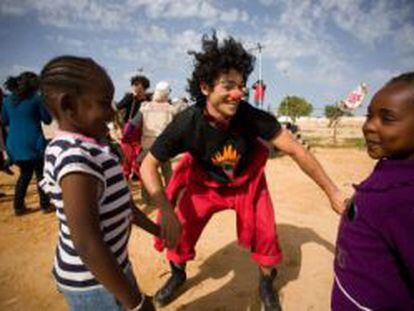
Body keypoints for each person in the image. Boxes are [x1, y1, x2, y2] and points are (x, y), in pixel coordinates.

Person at [140, 33, 346, 310]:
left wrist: (332, 191)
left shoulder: (251, 116)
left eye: (241, 85)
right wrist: (166, 209)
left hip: (247, 184)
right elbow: (148, 164)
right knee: (181, 231)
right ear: (204, 87)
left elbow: (296, 149)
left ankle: (266, 283)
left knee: (266, 237)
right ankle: (177, 275)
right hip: (204, 186)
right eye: (228, 85)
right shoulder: (186, 122)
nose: (238, 93)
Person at [39, 55, 159, 311]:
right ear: (69, 105)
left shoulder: (89, 148)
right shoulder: (76, 158)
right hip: (96, 283)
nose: (112, 111)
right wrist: (135, 303)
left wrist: (158, 231)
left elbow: (124, 206)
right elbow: (87, 242)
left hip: (112, 270)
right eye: (104, 103)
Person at [332, 72, 414, 310]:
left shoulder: (405, 200)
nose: (368, 126)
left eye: (386, 119)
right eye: (369, 115)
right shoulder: (392, 167)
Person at [2, 72, 52, 215]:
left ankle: (18, 207)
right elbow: (47, 119)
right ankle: (45, 205)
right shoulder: (37, 99)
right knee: (41, 174)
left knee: (24, 174)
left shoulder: (7, 101)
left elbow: (4, 120)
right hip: (34, 143)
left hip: (15, 145)